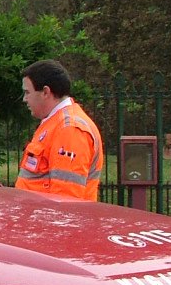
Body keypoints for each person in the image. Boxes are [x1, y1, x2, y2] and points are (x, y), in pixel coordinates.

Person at [15, 60, 104, 201]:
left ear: (45, 92)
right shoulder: (55, 123)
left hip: (48, 220)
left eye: (27, 92)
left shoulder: (70, 129)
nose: (25, 99)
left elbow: (66, 199)